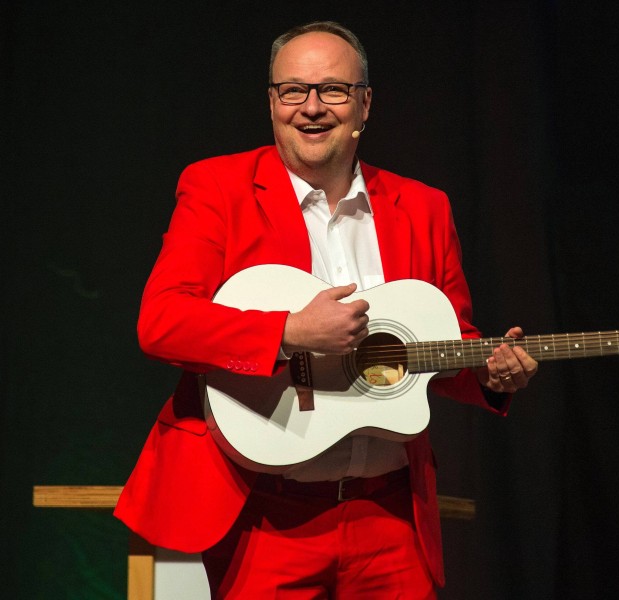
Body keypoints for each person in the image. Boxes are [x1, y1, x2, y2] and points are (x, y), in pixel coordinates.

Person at [115, 20, 538, 598]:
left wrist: (490, 373)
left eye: (333, 90)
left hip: (388, 516)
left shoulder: (424, 207)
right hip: (264, 515)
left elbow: (443, 342)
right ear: (272, 103)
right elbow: (162, 323)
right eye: (293, 91)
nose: (311, 107)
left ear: (365, 104)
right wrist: (289, 332)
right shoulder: (217, 187)